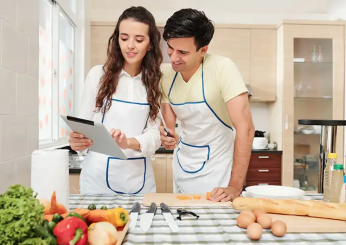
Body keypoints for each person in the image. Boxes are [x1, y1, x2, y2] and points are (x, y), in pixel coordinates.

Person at [160, 8, 255, 202]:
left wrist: (235, 186)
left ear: (203, 50)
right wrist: (166, 137)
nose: (174, 57)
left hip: (217, 169)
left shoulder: (222, 69)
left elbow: (245, 129)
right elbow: (168, 127)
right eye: (170, 47)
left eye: (183, 52)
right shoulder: (165, 76)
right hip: (183, 164)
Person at [68, 6, 163, 195]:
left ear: (150, 44)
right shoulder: (98, 75)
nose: (130, 46)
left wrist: (127, 142)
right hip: (97, 180)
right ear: (117, 39)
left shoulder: (157, 82)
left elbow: (155, 136)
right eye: (124, 37)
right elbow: (83, 125)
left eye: (139, 39)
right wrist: (76, 141)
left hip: (138, 181)